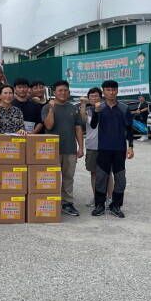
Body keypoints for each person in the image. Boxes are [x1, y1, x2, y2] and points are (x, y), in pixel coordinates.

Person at [90, 80, 134, 218]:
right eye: (108, 90)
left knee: (120, 179)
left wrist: (131, 146)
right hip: (103, 148)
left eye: (114, 89)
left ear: (117, 91)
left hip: (119, 149)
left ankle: (116, 205)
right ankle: (99, 205)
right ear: (103, 92)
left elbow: (129, 129)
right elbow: (93, 125)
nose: (111, 92)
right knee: (101, 178)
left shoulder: (124, 108)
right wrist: (96, 112)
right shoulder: (99, 107)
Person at [42, 80, 85, 217]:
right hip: (50, 150)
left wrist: (81, 147)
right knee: (50, 178)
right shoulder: (47, 107)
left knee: (68, 177)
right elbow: (48, 126)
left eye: (66, 90)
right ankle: (49, 202)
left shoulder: (73, 108)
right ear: (54, 92)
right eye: (60, 90)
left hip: (69, 149)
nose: (63, 93)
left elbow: (78, 128)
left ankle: (67, 203)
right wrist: (51, 109)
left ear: (69, 92)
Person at [79, 88, 113, 207]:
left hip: (106, 146)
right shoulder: (87, 110)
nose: (94, 98)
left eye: (96, 96)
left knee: (107, 173)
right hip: (92, 146)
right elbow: (83, 120)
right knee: (93, 173)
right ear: (88, 98)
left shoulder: (107, 109)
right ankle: (97, 198)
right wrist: (83, 104)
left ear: (101, 97)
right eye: (91, 96)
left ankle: (109, 198)